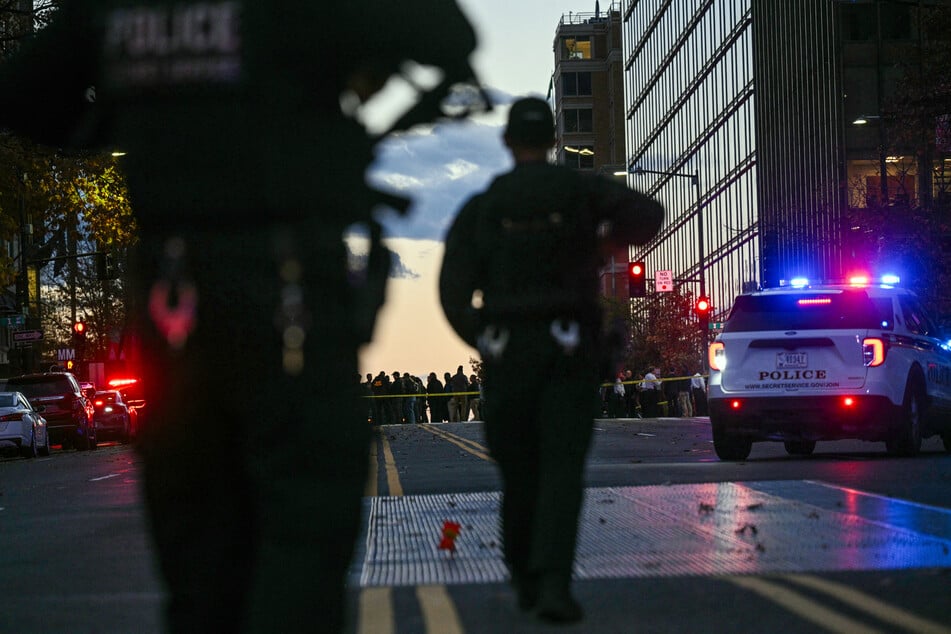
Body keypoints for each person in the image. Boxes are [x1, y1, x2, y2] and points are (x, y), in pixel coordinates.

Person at [0, 3, 482, 632]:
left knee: (197, 538)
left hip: (172, 293)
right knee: (305, 525)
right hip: (287, 284)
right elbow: (448, 34)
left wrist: (122, 125)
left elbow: (22, 93)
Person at [439, 97, 663, 623]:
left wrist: (484, 337)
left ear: (509, 142)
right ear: (555, 139)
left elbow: (452, 292)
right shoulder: (580, 193)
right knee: (562, 470)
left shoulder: (485, 206)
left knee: (519, 472)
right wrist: (603, 243)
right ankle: (555, 584)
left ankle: (523, 576)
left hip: (509, 352)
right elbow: (647, 215)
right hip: (569, 351)